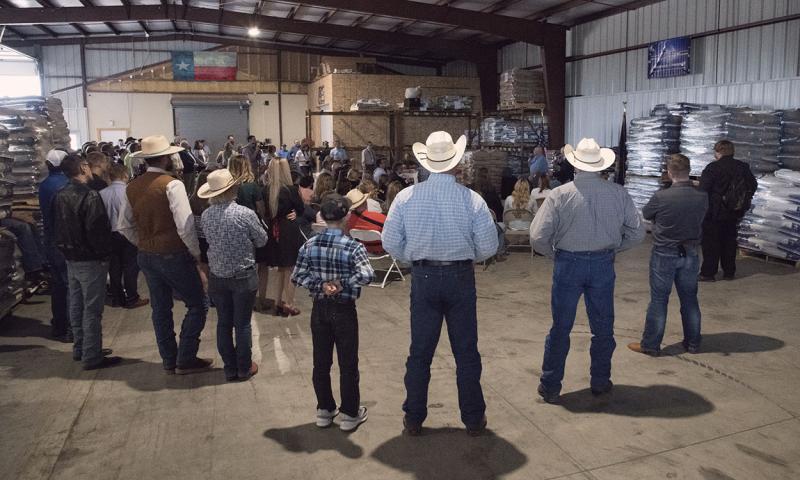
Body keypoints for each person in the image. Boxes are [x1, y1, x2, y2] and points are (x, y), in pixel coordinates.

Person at [382, 131, 498, 437]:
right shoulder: (472, 200)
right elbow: (488, 247)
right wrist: (466, 255)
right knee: (466, 352)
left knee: (420, 352)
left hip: (424, 277)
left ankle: (414, 418)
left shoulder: (406, 197)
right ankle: (473, 418)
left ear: (426, 163)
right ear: (456, 164)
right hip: (460, 277)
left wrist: (414, 258)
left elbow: (390, 241)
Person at [529, 138, 645, 404]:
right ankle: (600, 381)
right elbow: (638, 232)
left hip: (569, 263)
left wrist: (553, 254)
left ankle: (550, 385)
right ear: (601, 166)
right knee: (603, 328)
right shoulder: (618, 193)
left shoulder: (559, 194)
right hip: (603, 263)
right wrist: (616, 248)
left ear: (575, 165)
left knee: (560, 327)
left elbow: (537, 236)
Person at [117, 135, 212, 375]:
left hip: (146, 255)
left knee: (160, 309)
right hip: (173, 253)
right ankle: (186, 357)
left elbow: (124, 225)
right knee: (198, 304)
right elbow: (185, 225)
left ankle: (170, 359)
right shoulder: (172, 184)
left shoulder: (132, 186)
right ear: (165, 157)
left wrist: (143, 242)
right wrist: (196, 255)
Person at [291, 194, 375, 432]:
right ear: (346, 216)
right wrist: (342, 284)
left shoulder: (309, 244)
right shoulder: (354, 246)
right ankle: (349, 413)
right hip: (345, 310)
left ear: (322, 218)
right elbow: (367, 275)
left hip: (319, 309)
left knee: (321, 361)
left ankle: (324, 409)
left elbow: (297, 276)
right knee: (348, 362)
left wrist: (321, 286)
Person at [628, 154, 709, 356]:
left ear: (669, 172)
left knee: (659, 299)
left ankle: (651, 344)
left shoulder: (661, 197)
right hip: (690, 251)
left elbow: (646, 214)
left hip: (665, 251)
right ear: (689, 171)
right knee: (689, 298)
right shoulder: (702, 196)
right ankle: (693, 343)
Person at [199, 169, 268, 382]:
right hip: (243, 275)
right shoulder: (245, 214)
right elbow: (262, 240)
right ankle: (244, 367)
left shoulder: (205, 216)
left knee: (223, 323)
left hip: (218, 276)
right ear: (232, 188)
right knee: (243, 324)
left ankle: (229, 368)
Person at [53, 155, 120, 370]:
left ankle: (81, 347)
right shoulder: (90, 196)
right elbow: (97, 230)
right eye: (88, 166)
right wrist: (106, 254)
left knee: (77, 304)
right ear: (83, 168)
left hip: (71, 258)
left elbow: (56, 227)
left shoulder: (60, 195)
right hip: (91, 259)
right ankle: (92, 355)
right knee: (92, 309)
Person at [698, 140, 758, 281]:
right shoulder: (742, 167)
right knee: (729, 242)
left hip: (714, 211)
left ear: (718, 152)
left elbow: (703, 190)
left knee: (711, 243)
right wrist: (741, 200)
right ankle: (729, 272)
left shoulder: (713, 168)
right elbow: (753, 185)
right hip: (734, 212)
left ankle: (708, 273)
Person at [99, 164, 148, 309]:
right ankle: (132, 297)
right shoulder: (130, 192)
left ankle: (116, 297)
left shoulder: (101, 193)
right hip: (127, 233)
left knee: (114, 267)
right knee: (130, 266)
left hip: (109, 234)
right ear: (125, 175)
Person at [228, 154, 272, 313]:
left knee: (242, 266)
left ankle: (243, 299)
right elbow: (261, 209)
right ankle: (260, 300)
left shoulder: (229, 186)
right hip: (252, 227)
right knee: (262, 265)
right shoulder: (252, 186)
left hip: (233, 228)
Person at [264, 157, 305, 317]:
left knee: (280, 269)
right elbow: (301, 209)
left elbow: (265, 213)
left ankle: (277, 301)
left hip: (274, 230)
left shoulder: (266, 189)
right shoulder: (291, 189)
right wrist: (296, 213)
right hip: (288, 229)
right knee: (290, 269)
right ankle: (290, 302)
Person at [38, 150, 71, 341]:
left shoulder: (44, 185)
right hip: (64, 241)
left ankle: (59, 323)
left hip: (51, 240)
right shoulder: (66, 185)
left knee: (59, 285)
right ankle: (67, 327)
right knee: (68, 286)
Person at [346, 188, 386, 254]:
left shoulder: (348, 222)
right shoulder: (378, 217)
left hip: (364, 251)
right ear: (365, 202)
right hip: (383, 250)